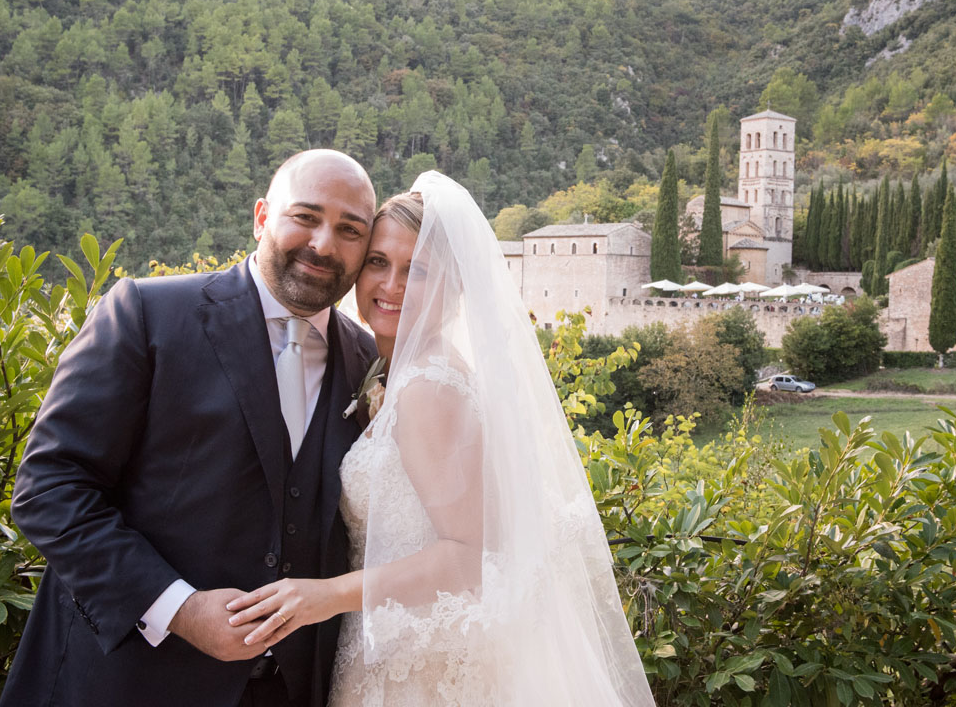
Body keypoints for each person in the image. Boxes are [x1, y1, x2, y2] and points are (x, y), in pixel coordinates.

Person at [226, 172, 655, 706]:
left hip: (424, 663)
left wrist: (324, 597)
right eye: (378, 262)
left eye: (417, 270)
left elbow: (468, 555)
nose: (391, 285)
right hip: (396, 640)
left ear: (455, 284)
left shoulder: (428, 386)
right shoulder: (392, 367)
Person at [2, 149, 381, 707]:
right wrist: (177, 608)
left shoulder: (368, 359)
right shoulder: (145, 313)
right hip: (126, 682)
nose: (325, 244)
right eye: (306, 216)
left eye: (350, 230)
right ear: (260, 218)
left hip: (295, 690)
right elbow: (50, 489)